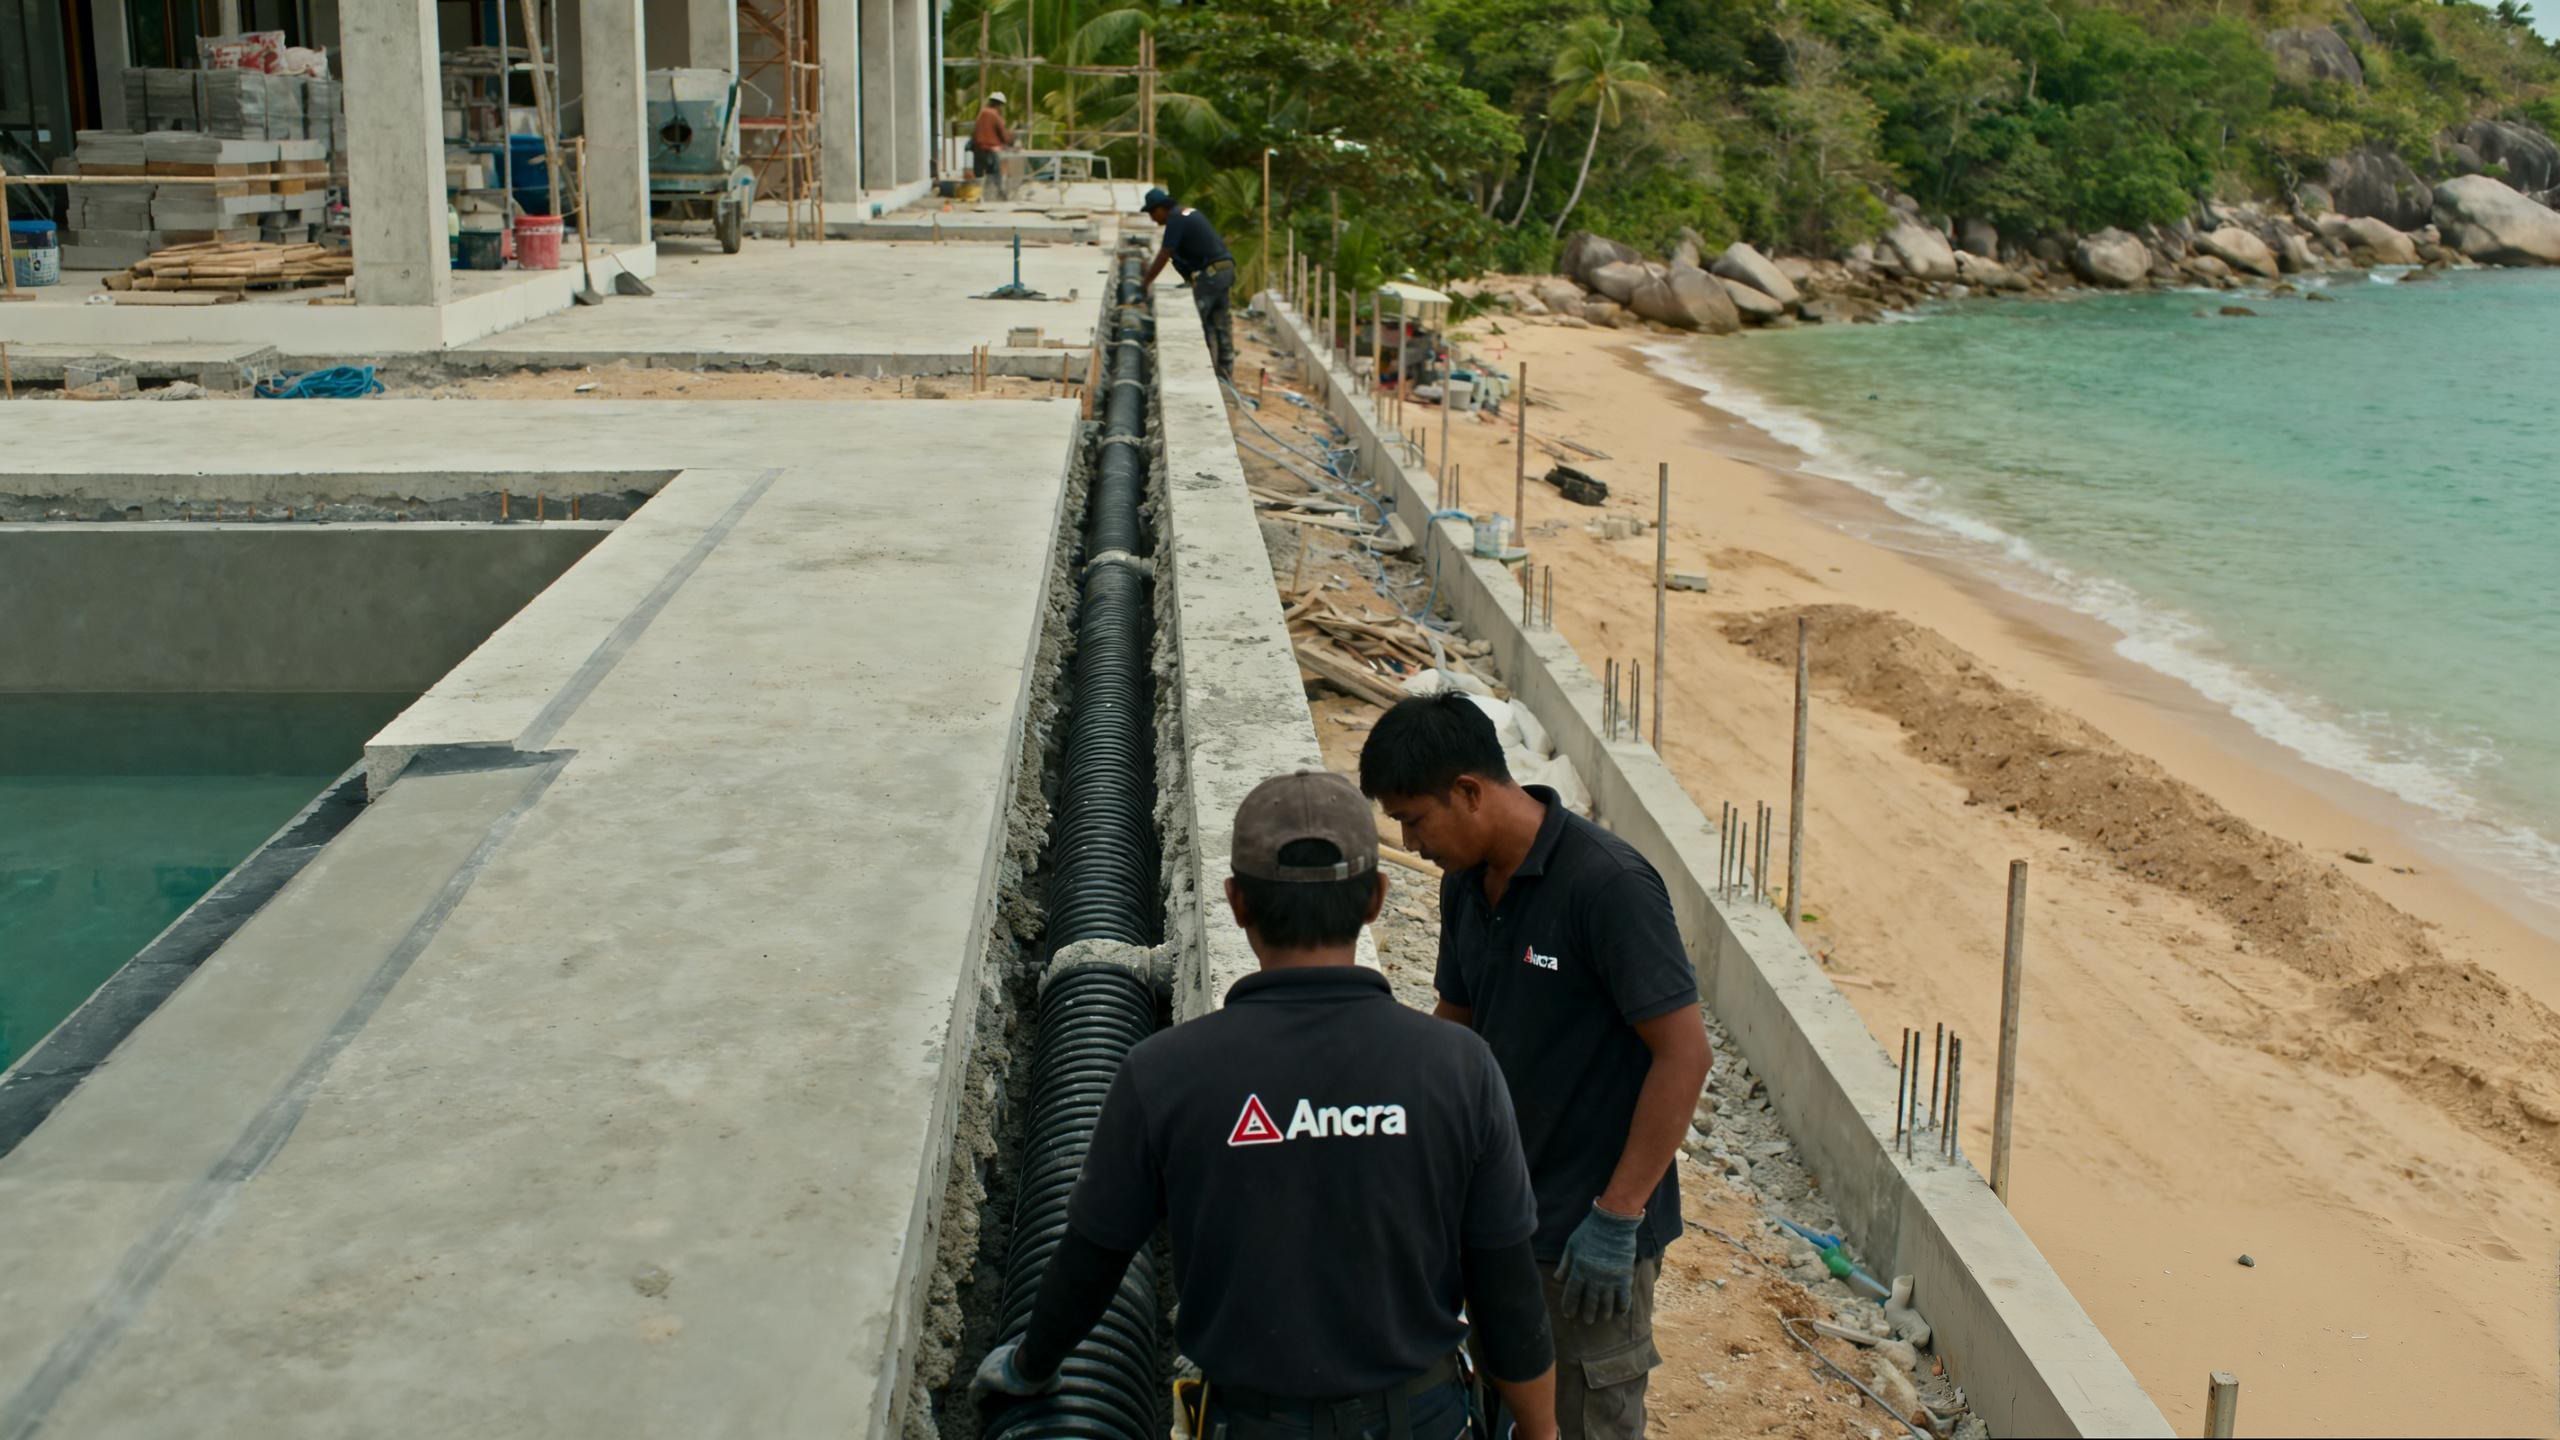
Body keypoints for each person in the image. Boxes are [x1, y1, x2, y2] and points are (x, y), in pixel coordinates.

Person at [975, 770, 1561, 1440]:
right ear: (1375, 899)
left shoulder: (1166, 1071)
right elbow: (1508, 1292)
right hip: (1421, 1418)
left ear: (1237, 903)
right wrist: (1541, 1433)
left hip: (1248, 1422)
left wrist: (1030, 1365)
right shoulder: (1460, 1069)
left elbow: (1093, 1256)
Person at [1357, 694, 1712, 1440]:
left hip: (1585, 1242)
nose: (1409, 841)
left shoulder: (1606, 886)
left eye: (1414, 818)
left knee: (1582, 1418)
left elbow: (1683, 1055)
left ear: (1469, 791)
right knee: (1494, 1410)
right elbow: (1454, 1030)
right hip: (1496, 1222)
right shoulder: (1466, 886)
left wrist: (1616, 1217)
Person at [1140, 186, 1237, 380]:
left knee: (1199, 325)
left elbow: (1165, 253)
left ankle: (1204, 373)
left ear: (1162, 208)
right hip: (1224, 270)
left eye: (1152, 212)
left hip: (1212, 274)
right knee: (1219, 322)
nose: (1152, 218)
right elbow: (1179, 257)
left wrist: (1145, 282)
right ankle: (1225, 374)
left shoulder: (1175, 218)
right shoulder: (1187, 213)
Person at [971, 92, 1014, 198]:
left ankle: (980, 196)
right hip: (990, 150)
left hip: (978, 150)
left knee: (980, 176)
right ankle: (999, 194)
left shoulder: (981, 113)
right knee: (995, 175)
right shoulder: (995, 115)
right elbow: (1004, 136)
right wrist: (1011, 140)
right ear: (999, 105)